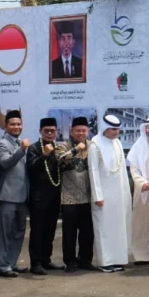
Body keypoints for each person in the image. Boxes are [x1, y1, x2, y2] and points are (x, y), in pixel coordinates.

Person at [90, 114, 131, 272]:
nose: (116, 132)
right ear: (105, 128)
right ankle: (105, 262)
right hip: (103, 196)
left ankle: (118, 259)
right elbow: (93, 172)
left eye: (118, 129)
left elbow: (121, 170)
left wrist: (125, 193)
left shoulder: (118, 143)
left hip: (118, 194)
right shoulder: (95, 145)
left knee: (118, 227)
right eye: (113, 129)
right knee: (104, 227)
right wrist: (98, 195)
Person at [0, 110, 31, 278]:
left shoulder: (21, 143)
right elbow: (6, 163)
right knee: (4, 233)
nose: (16, 127)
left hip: (23, 197)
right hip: (7, 196)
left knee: (18, 232)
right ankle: (2, 266)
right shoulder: (2, 144)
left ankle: (12, 263)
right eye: (13, 124)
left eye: (19, 124)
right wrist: (21, 150)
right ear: (5, 126)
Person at [26, 117, 64, 275]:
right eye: (46, 131)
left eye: (52, 131)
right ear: (40, 132)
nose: (49, 133)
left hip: (54, 196)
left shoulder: (58, 148)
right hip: (38, 197)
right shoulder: (34, 148)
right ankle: (35, 263)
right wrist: (44, 155)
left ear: (57, 132)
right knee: (37, 230)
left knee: (50, 230)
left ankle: (46, 260)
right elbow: (32, 168)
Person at [57, 117, 94, 272]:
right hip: (69, 197)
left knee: (87, 232)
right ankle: (70, 262)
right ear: (71, 131)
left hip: (88, 197)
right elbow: (59, 160)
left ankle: (85, 261)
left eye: (83, 130)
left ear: (88, 131)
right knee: (69, 233)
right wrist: (75, 150)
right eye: (77, 130)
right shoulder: (63, 145)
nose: (80, 133)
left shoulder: (93, 146)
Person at [127, 116, 149, 263]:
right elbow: (134, 168)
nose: (148, 130)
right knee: (143, 223)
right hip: (144, 190)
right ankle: (143, 254)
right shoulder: (139, 145)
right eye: (146, 127)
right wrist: (141, 182)